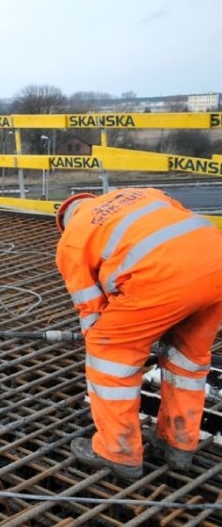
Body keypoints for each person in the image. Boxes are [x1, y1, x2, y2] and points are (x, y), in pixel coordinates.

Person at [55, 187, 222, 480]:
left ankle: (117, 452)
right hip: (216, 264)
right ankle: (179, 444)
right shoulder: (140, 194)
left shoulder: (71, 241)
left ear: (65, 222)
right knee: (187, 361)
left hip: (163, 277)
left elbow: (91, 312)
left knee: (110, 356)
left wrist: (122, 336)